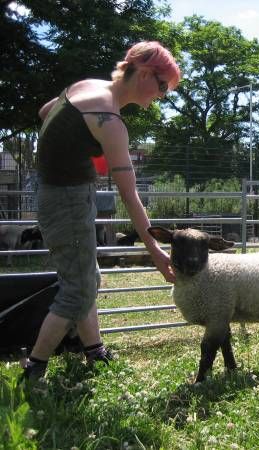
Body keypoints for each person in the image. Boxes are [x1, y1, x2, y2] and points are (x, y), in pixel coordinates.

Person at [22, 41, 180, 383]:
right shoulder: (109, 121)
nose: (163, 95)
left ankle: (94, 351)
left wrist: (71, 149)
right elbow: (129, 194)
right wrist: (155, 250)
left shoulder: (87, 87)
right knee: (77, 290)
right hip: (67, 200)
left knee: (86, 277)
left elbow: (45, 112)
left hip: (53, 193)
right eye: (163, 85)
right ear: (144, 74)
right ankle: (34, 369)